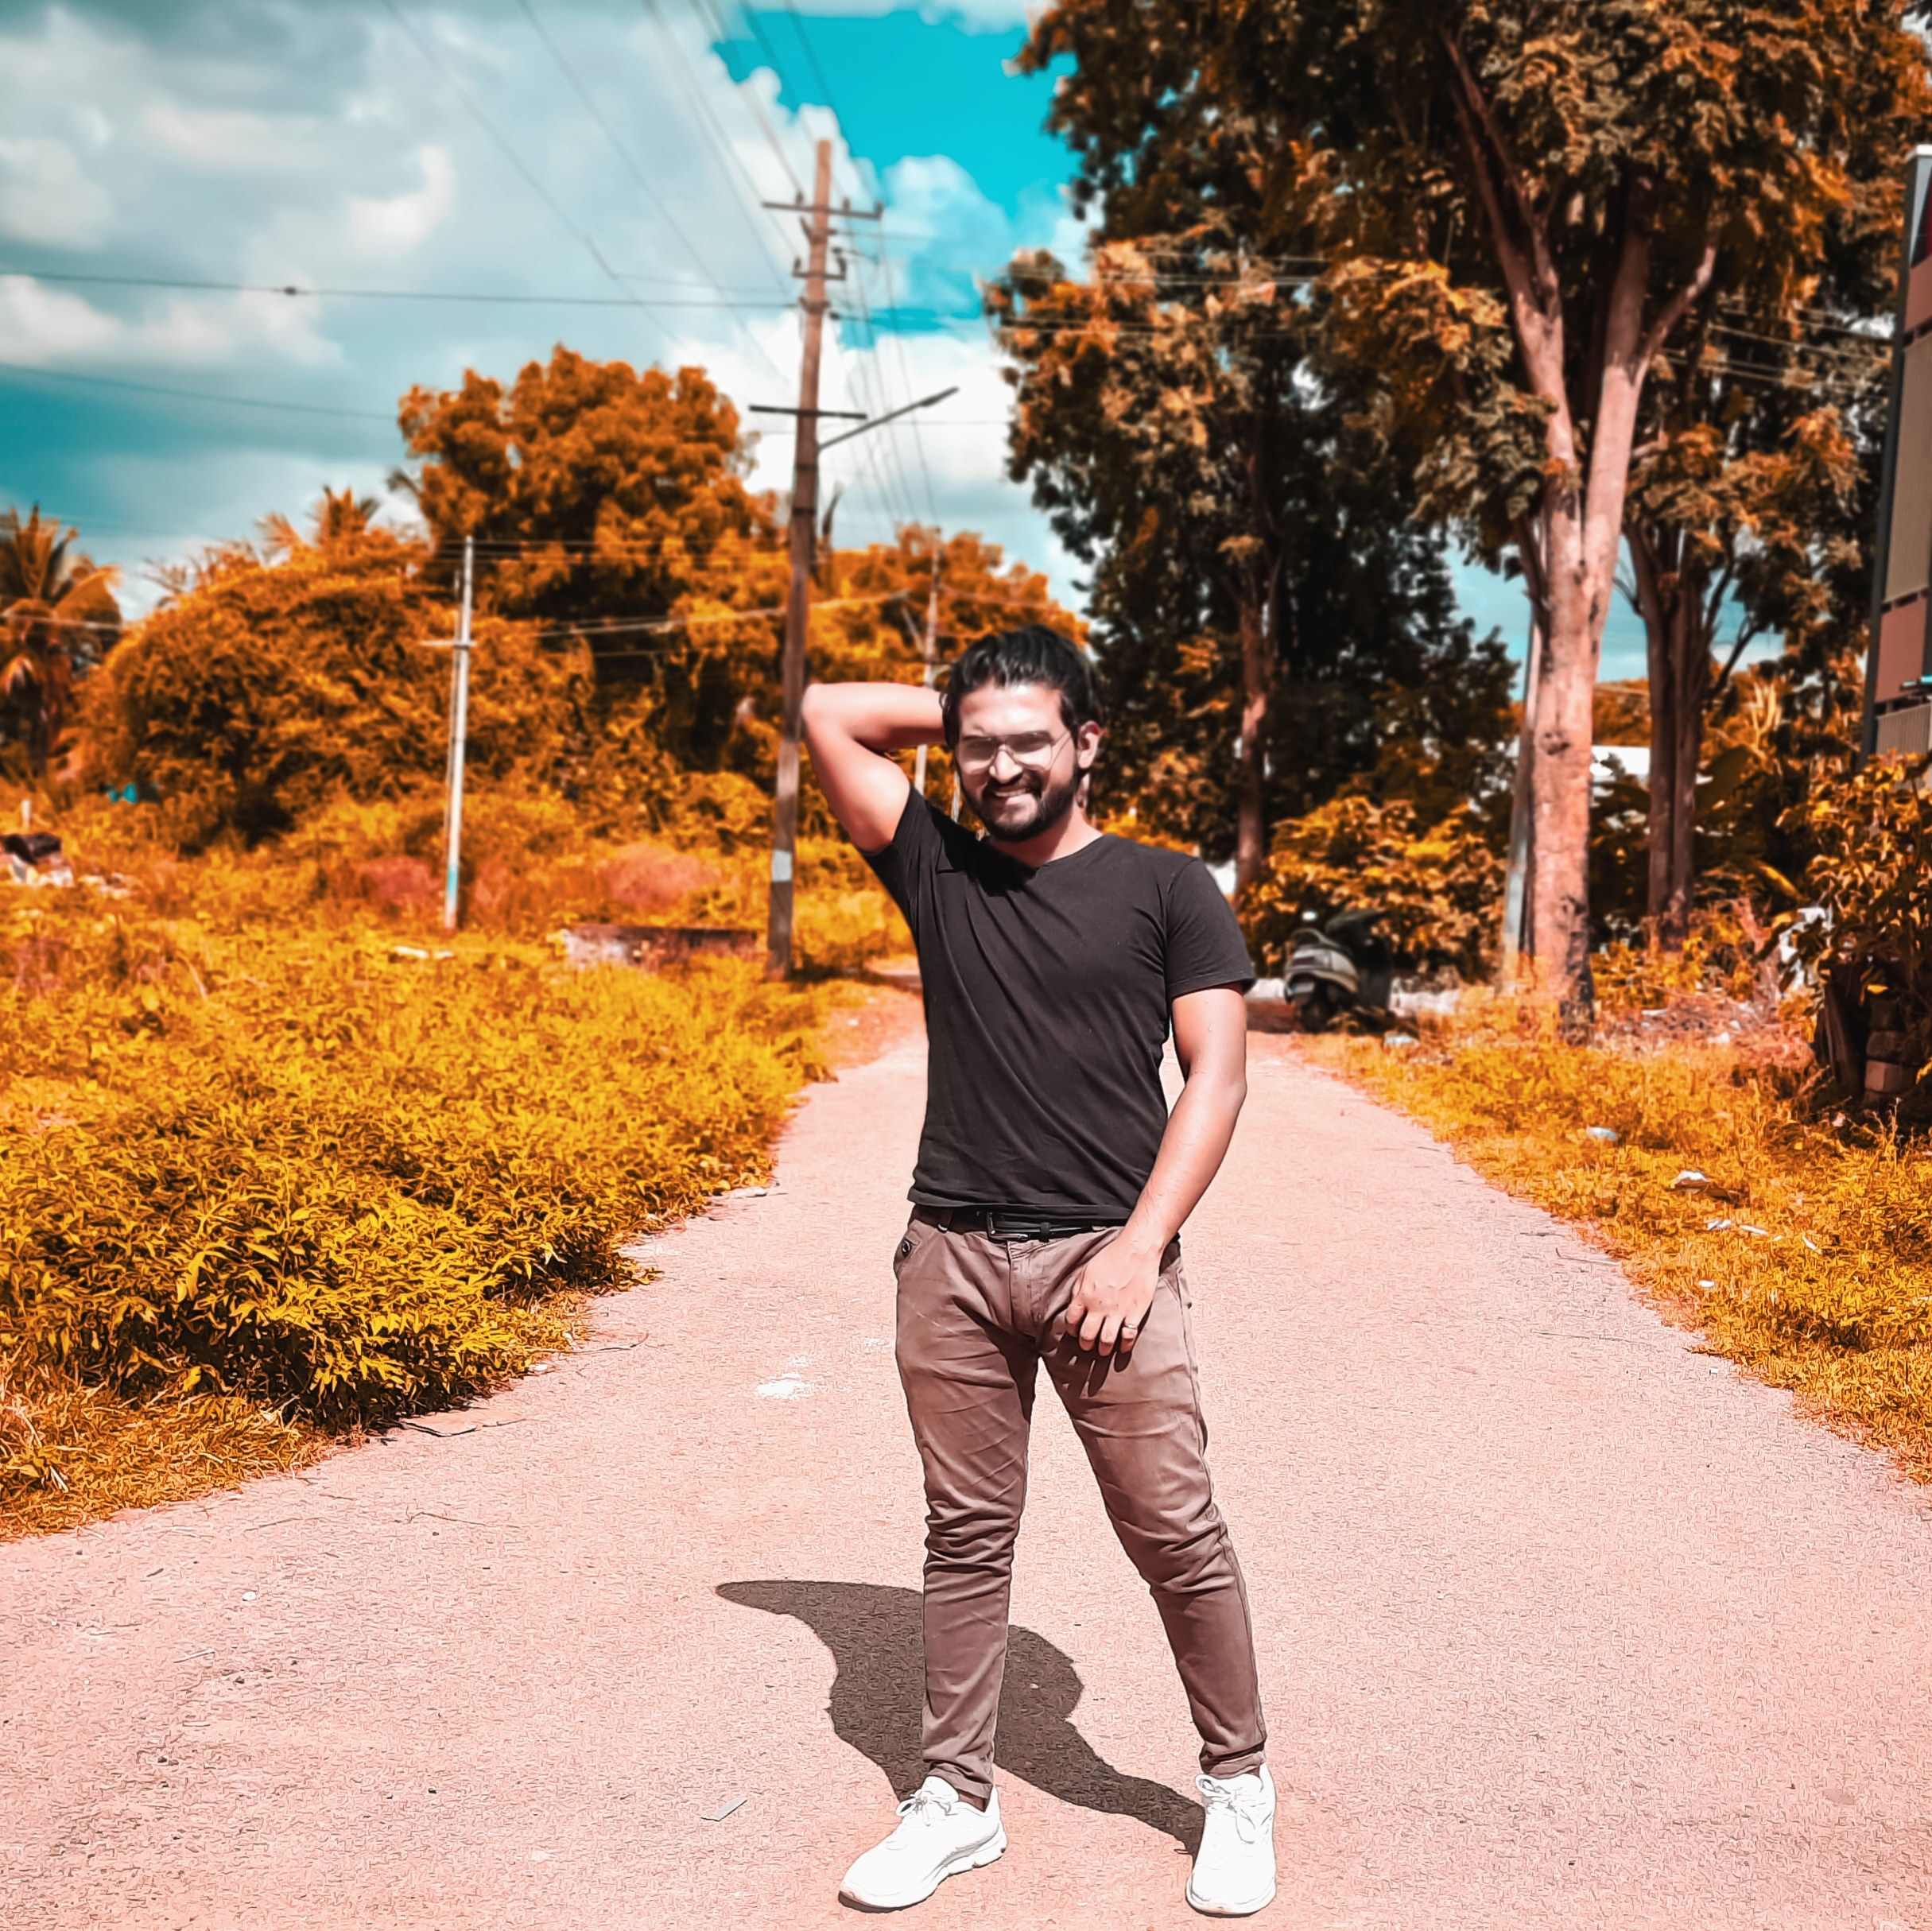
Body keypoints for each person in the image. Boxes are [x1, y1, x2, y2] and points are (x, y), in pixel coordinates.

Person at [801, 626, 1274, 1917]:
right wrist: (965, 702)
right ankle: (956, 1799)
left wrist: (1136, 1248)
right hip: (950, 1256)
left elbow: (1218, 1077)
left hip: (1104, 1260)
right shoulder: (935, 865)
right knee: (964, 1537)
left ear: (1087, 740)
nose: (1001, 766)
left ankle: (1236, 1784)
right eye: (977, 745)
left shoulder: (1167, 888)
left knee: (1173, 1531)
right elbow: (827, 709)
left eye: (1030, 740)